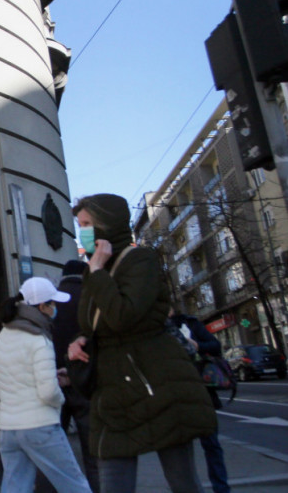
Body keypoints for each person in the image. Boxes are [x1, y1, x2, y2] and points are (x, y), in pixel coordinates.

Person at [67, 193, 217, 493]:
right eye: (79, 225)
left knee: (183, 481)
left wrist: (97, 272)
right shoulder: (93, 269)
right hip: (113, 391)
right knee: (113, 482)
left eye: (86, 224)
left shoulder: (139, 260)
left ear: (107, 224)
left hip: (157, 383)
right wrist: (79, 339)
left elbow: (123, 315)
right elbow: (92, 323)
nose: (82, 232)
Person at [0, 277, 91, 493]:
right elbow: (48, 392)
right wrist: (58, 396)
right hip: (40, 424)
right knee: (74, 484)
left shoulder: (4, 335)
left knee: (15, 486)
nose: (55, 308)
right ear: (42, 307)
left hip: (9, 428)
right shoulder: (40, 340)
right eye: (52, 303)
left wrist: (20, 393)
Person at [35, 260, 100, 493]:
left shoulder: (49, 302)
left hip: (53, 380)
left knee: (51, 453)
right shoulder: (91, 297)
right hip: (85, 381)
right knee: (94, 453)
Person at [168, 311, 231, 493]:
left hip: (202, 392)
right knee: (180, 451)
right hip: (176, 396)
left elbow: (215, 345)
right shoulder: (155, 327)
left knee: (211, 445)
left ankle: (221, 488)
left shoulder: (190, 323)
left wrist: (197, 345)